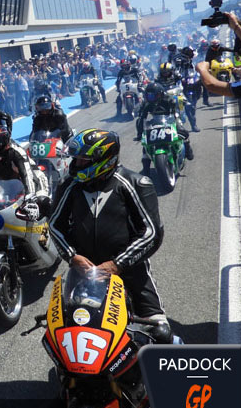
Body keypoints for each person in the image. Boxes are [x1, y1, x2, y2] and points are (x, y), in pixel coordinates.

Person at [50, 129, 172, 340]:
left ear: (103, 160)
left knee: (161, 332)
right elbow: (55, 225)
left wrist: (117, 264)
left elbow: (152, 233)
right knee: (66, 331)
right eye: (75, 159)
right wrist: (72, 257)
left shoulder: (135, 184)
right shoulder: (69, 186)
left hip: (131, 270)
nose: (75, 165)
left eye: (81, 160)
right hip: (84, 271)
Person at [0, 126, 50, 216]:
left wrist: (30, 196)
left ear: (4, 143)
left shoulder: (17, 153)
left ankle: (52, 225)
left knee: (42, 204)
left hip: (35, 183)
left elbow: (27, 175)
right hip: (12, 188)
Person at [134, 83, 194, 173]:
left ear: (160, 94)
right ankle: (146, 169)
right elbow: (142, 118)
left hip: (171, 120)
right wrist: (140, 133)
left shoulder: (169, 99)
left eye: (154, 95)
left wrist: (184, 103)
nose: (151, 98)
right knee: (146, 145)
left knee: (183, 132)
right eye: (149, 95)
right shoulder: (147, 104)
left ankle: (188, 148)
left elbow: (179, 105)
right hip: (155, 122)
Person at [197, 12, 241, 98]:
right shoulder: (209, 50)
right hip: (214, 64)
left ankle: (236, 79)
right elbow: (207, 59)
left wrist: (202, 70)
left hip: (220, 62)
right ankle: (205, 98)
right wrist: (236, 25)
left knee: (233, 72)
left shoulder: (221, 48)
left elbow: (211, 85)